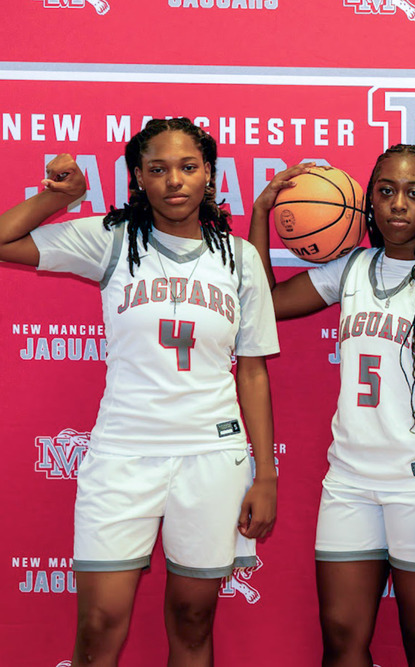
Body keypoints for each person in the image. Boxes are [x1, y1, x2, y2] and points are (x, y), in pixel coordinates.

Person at [0, 117, 279, 666]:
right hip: (123, 453)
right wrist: (61, 197)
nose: (174, 180)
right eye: (158, 169)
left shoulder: (240, 259)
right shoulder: (111, 240)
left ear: (208, 177)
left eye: (188, 167)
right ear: (139, 179)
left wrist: (265, 473)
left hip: (211, 456)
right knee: (100, 624)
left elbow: (252, 371)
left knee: (193, 622)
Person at [249, 144, 415, 667]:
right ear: (368, 204)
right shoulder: (351, 269)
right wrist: (262, 216)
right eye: (386, 192)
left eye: (414, 193)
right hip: (351, 480)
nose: (398, 204)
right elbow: (262, 303)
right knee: (340, 640)